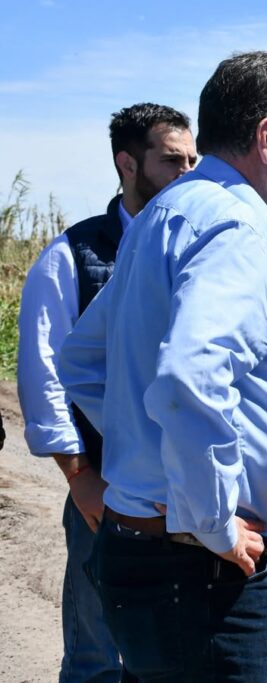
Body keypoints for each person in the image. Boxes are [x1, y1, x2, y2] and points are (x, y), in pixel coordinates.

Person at [57, 51, 267, 682]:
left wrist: (152, 448)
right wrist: (210, 520)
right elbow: (190, 378)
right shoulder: (235, 229)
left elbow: (82, 360)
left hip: (158, 558)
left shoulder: (167, 215)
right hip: (198, 575)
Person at [17, 102, 195, 683]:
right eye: (172, 160)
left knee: (177, 649)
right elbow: (45, 374)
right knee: (97, 652)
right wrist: (80, 479)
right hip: (106, 487)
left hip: (189, 493)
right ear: (127, 164)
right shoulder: (73, 256)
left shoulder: (201, 248)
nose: (188, 173)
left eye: (194, 159)